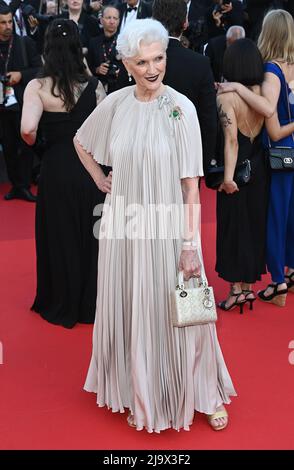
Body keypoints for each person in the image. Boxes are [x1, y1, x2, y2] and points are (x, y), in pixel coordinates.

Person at [74, 18, 236, 433]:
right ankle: (139, 390)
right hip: (125, 225)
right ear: (127, 63)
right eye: (142, 61)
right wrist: (100, 178)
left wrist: (188, 244)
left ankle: (204, 391)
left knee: (186, 314)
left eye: (158, 58)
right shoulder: (117, 103)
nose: (152, 68)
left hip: (170, 228)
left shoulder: (180, 109)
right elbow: (81, 140)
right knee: (135, 306)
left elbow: (190, 187)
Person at [21, 18, 107, 328]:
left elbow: (28, 129)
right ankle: (90, 304)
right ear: (77, 49)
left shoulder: (37, 86)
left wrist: (40, 142)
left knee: (59, 236)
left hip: (56, 169)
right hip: (89, 171)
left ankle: (60, 300)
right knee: (90, 236)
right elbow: (106, 133)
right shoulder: (95, 86)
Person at [217, 9, 294, 306]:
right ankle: (278, 274)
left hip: (274, 155)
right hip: (275, 158)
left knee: (275, 217)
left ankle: (276, 281)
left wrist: (235, 87)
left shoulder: (270, 72)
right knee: (282, 216)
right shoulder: (271, 78)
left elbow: (269, 131)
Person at [215, 38, 269, 312]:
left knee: (233, 227)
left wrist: (227, 178)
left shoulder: (226, 97)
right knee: (254, 226)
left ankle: (236, 291)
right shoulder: (260, 92)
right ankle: (249, 288)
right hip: (260, 169)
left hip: (237, 168)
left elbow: (231, 141)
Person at [152, 0, 217, 172]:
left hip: (142, 157)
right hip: (184, 161)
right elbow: (208, 121)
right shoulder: (200, 63)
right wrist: (201, 164)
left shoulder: (133, 59)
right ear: (185, 23)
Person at [0, 5, 42, 202]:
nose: (7, 26)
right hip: (1, 106)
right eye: (2, 23)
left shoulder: (25, 43)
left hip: (23, 103)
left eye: (9, 22)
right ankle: (15, 185)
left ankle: (24, 186)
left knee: (25, 147)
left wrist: (20, 75)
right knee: (8, 147)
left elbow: (39, 70)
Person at [87, 4, 129, 94]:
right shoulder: (93, 42)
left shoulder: (125, 41)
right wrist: (97, 70)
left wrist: (121, 72)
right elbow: (88, 66)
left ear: (119, 21)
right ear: (101, 20)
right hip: (98, 88)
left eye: (115, 18)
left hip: (120, 88)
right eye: (108, 17)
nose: (112, 21)